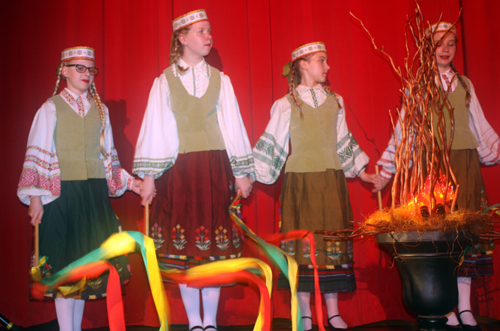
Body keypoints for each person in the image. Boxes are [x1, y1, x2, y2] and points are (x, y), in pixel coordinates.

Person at [371, 22, 500, 331]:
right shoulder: (418, 86)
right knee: (442, 236)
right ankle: (447, 305)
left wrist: (492, 151)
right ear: (428, 48)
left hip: (465, 163)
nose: (445, 49)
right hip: (435, 165)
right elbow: (405, 131)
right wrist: (385, 171)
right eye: (439, 43)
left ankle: (465, 306)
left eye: (451, 43)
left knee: (467, 233)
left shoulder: (465, 83)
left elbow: (479, 124)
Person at [133, 9, 255, 331]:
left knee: (212, 248)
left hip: (214, 169)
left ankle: (210, 322)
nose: (208, 36)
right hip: (180, 173)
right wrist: (148, 177)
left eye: (209, 31)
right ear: (182, 39)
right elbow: (156, 128)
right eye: (200, 31)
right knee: (187, 249)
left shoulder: (220, 80)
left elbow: (233, 126)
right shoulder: (164, 82)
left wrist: (240, 171)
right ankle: (193, 322)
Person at [253, 42, 376, 330]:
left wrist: (363, 173)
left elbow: (343, 140)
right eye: (322, 60)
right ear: (303, 64)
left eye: (327, 60)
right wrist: (250, 173)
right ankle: (305, 312)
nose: (328, 66)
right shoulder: (286, 105)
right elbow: (273, 144)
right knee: (303, 245)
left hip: (331, 182)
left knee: (331, 241)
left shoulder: (337, 101)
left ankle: (332, 311)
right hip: (301, 183)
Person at [17, 46, 141, 331]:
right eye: (79, 68)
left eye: (91, 69)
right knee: (65, 268)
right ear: (63, 71)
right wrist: (35, 197)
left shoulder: (102, 111)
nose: (86, 74)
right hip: (62, 196)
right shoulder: (51, 108)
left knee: (85, 266)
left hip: (93, 196)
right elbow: (38, 152)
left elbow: (108, 157)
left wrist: (131, 182)